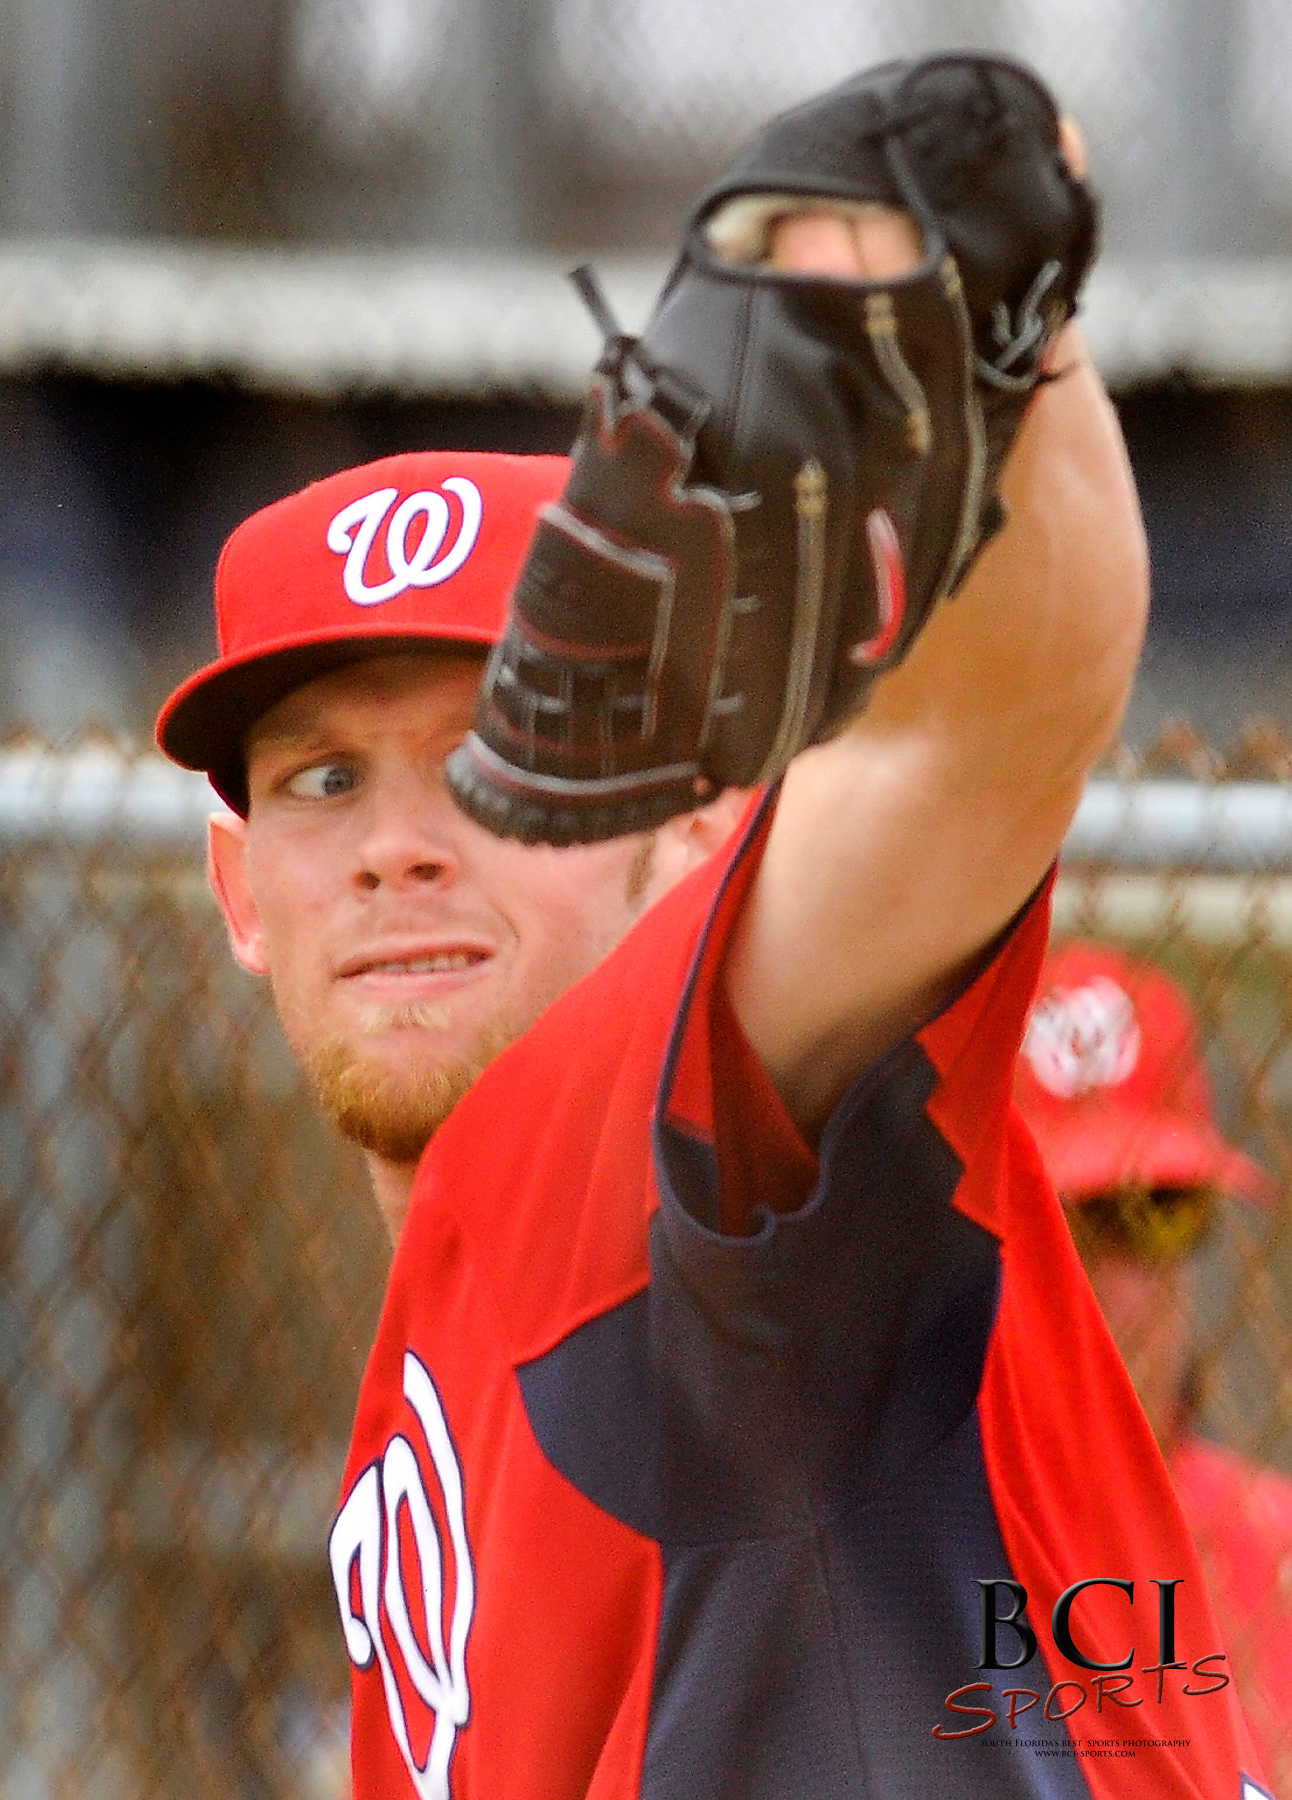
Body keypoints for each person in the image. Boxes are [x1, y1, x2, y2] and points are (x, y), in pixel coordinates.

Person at [156, 58, 1267, 1800]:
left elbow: (975, 741)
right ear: (240, 891)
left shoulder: (705, 1153)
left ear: (691, 818)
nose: (394, 852)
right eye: (320, 782)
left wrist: (990, 344)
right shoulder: (445, 1346)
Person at [1016, 938, 1292, 1793]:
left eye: (1158, 1214)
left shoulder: (1275, 1550)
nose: (1121, 1293)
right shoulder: (880, 1573)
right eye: (1063, 1228)